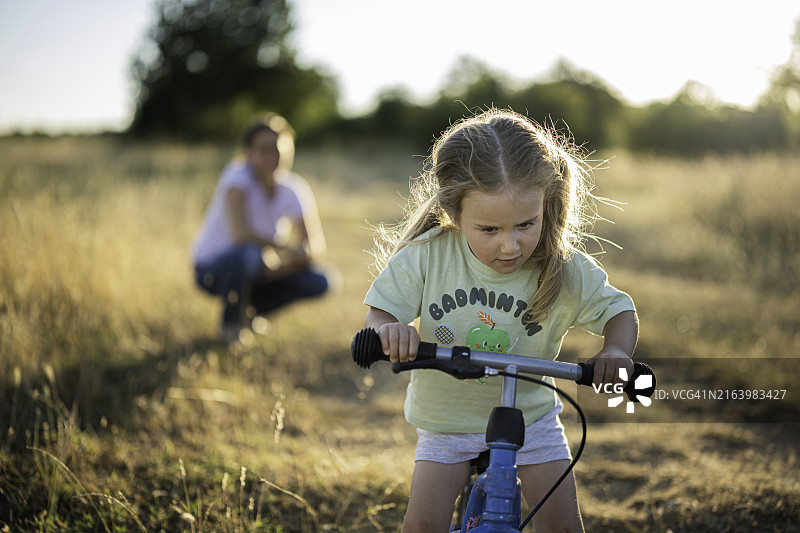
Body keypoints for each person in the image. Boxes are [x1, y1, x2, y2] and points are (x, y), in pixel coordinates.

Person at [362, 108, 638, 532]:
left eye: (526, 224)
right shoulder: (429, 254)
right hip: (446, 422)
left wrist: (616, 349)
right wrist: (389, 330)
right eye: (489, 230)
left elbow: (619, 311)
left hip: (532, 418)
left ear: (546, 203)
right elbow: (380, 312)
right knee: (422, 526)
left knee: (564, 528)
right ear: (455, 214)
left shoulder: (561, 265)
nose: (510, 246)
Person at [193, 114, 330, 343]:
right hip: (213, 268)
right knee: (249, 255)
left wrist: (289, 263)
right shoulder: (237, 177)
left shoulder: (294, 188)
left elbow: (314, 247)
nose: (272, 156)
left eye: (278, 149)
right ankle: (230, 326)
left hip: (260, 266)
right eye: (264, 149)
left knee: (321, 280)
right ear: (249, 152)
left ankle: (251, 313)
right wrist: (287, 250)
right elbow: (241, 235)